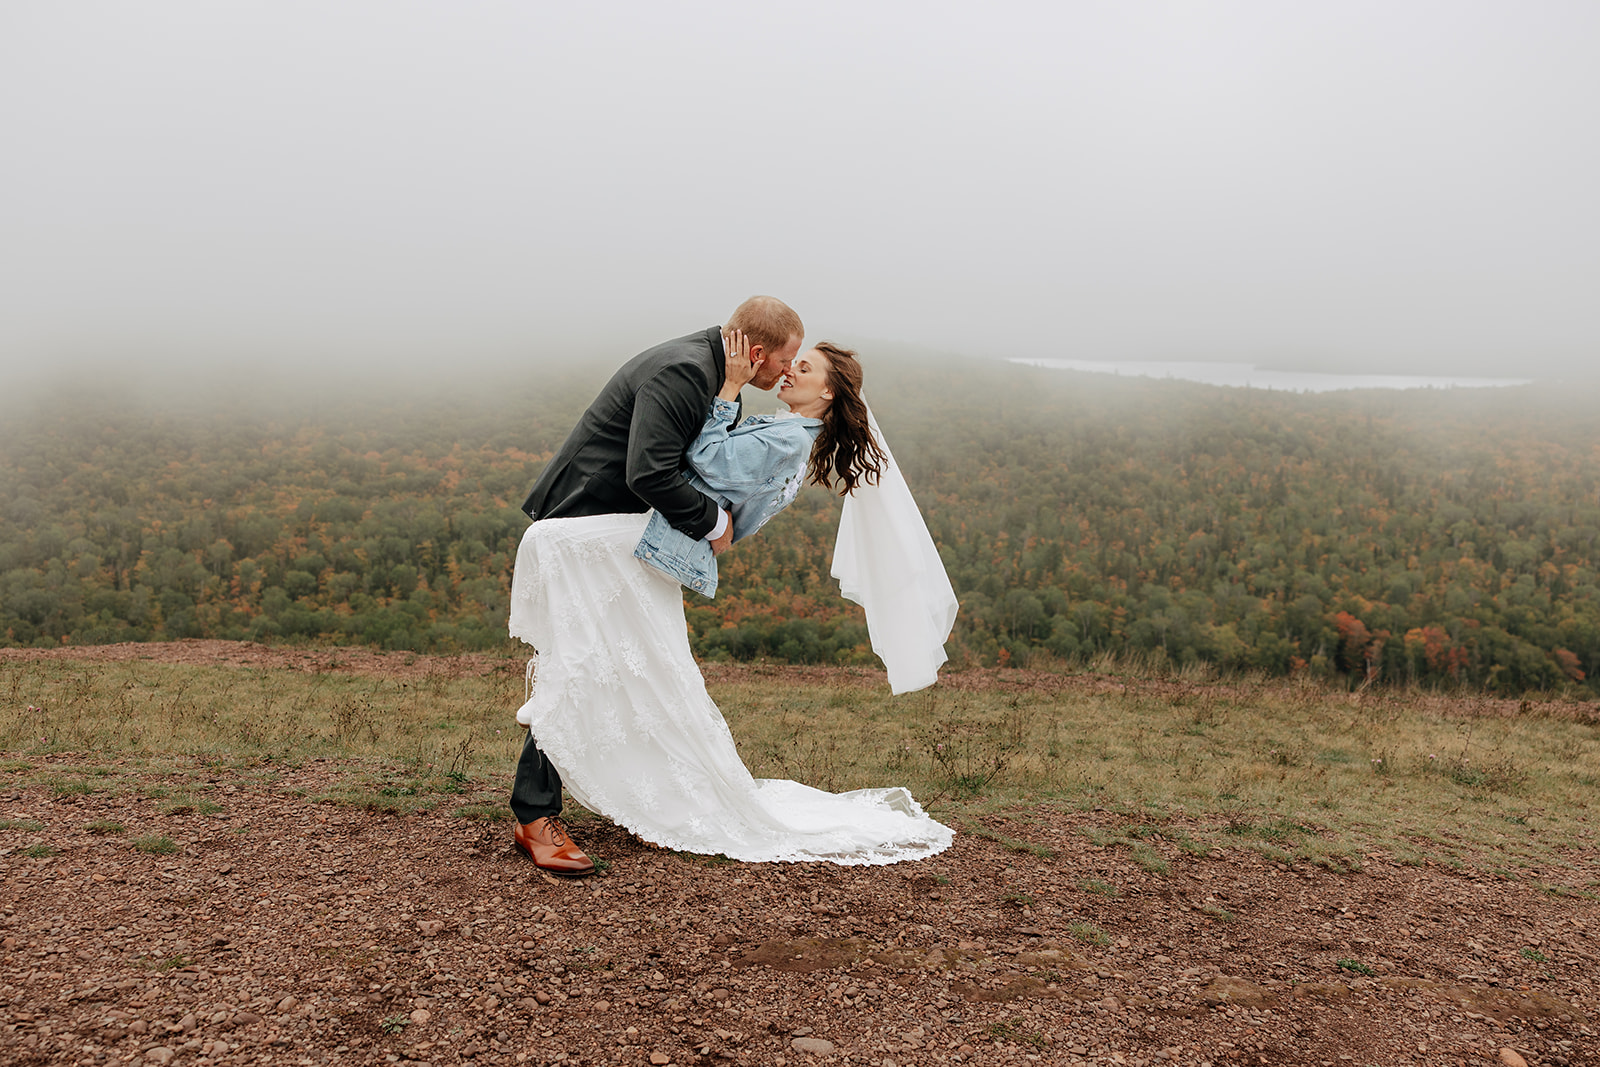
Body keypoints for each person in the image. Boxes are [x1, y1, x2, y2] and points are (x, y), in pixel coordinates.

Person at [508, 326, 956, 869]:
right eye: (792, 361)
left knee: (554, 549)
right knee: (628, 667)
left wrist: (726, 393)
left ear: (830, 394)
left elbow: (703, 461)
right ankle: (639, 802)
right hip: (655, 542)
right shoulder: (789, 429)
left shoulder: (787, 438)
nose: (791, 371)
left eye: (804, 367)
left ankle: (549, 798)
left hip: (652, 543)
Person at [507, 296, 803, 875]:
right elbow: (650, 471)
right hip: (584, 528)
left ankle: (642, 802)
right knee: (585, 665)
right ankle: (533, 816)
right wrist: (715, 522)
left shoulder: (720, 377)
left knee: (634, 666)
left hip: (622, 535)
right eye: (786, 360)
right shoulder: (684, 370)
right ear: (759, 351)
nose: (786, 373)